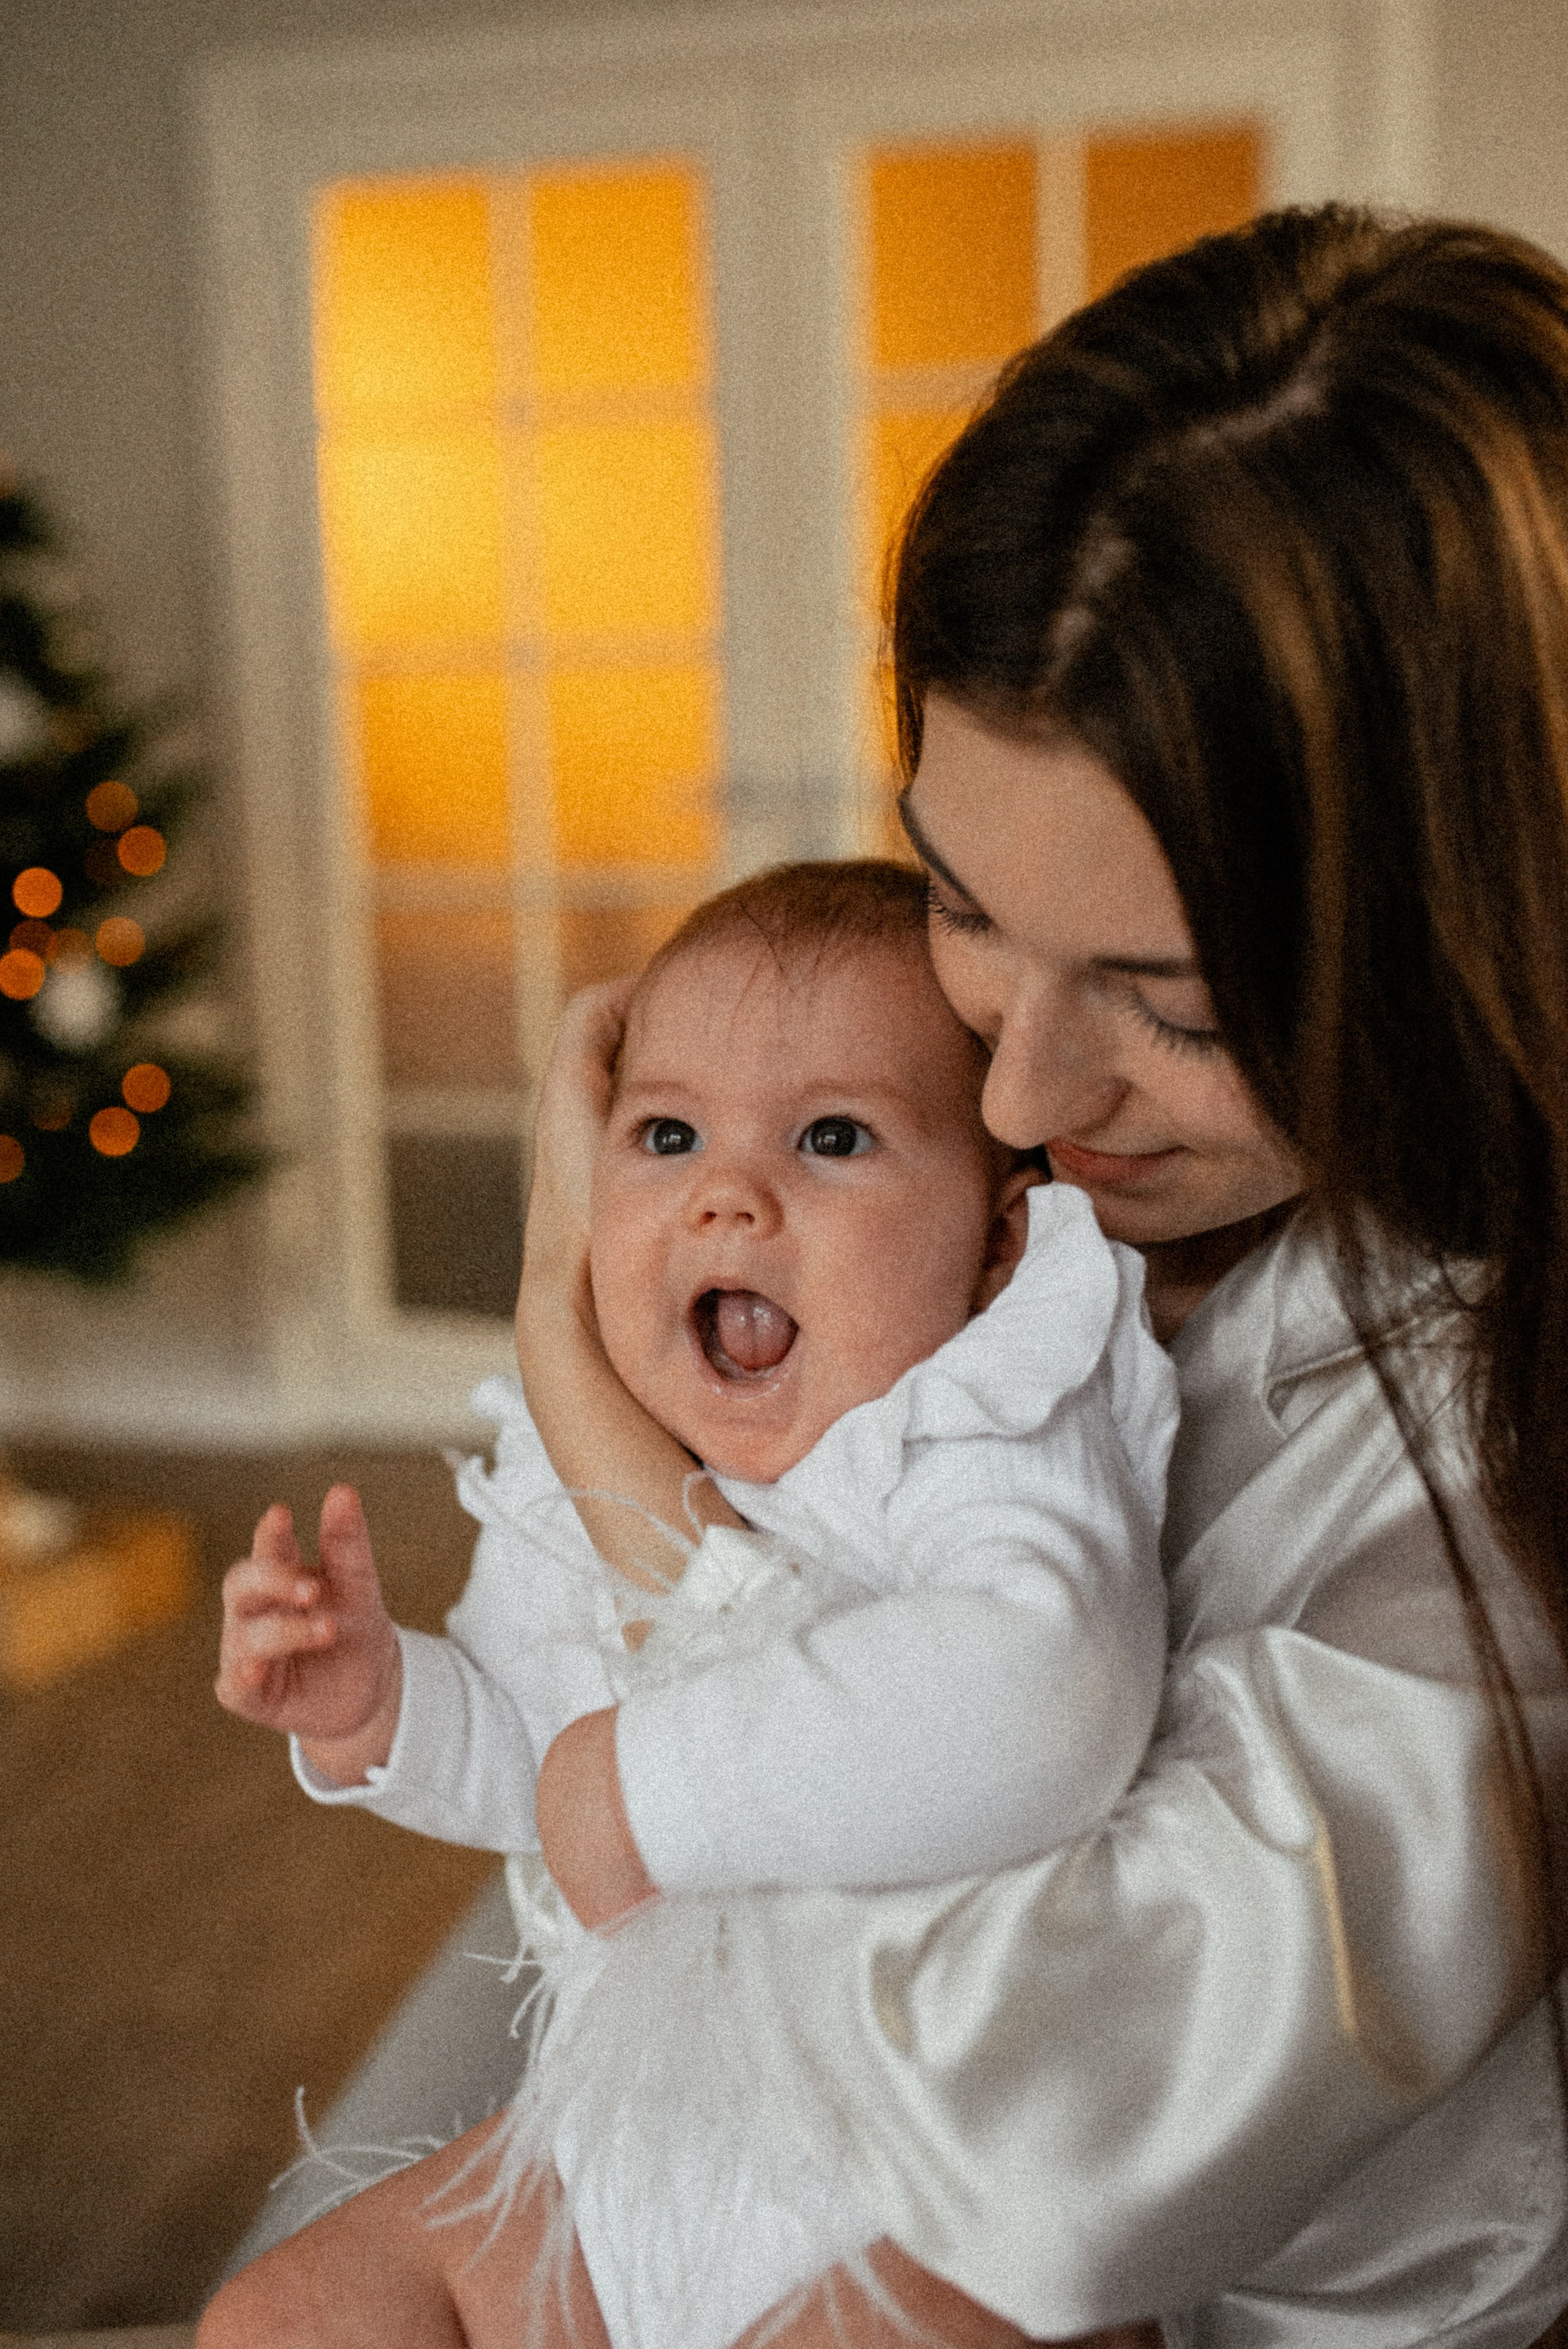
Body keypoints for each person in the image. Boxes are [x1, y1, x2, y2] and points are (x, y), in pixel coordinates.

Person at [203, 197, 1568, 2349]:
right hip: (740, 2108)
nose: (1016, 1090)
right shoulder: (1037, 1220)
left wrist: (601, 1416)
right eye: (963, 901)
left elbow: (1019, 2108)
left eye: (1177, 1001)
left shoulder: (1485, 1510)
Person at [205, 861, 1177, 2349]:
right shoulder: (589, 1457)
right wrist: (383, 1704)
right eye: (666, 1135)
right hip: (622, 2174)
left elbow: (1042, 1691)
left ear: (994, 1239)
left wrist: (644, 1782)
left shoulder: (977, 1424)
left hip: (929, 2180)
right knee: (289, 2315)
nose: (730, 1191)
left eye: (832, 1137)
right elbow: (542, 1754)